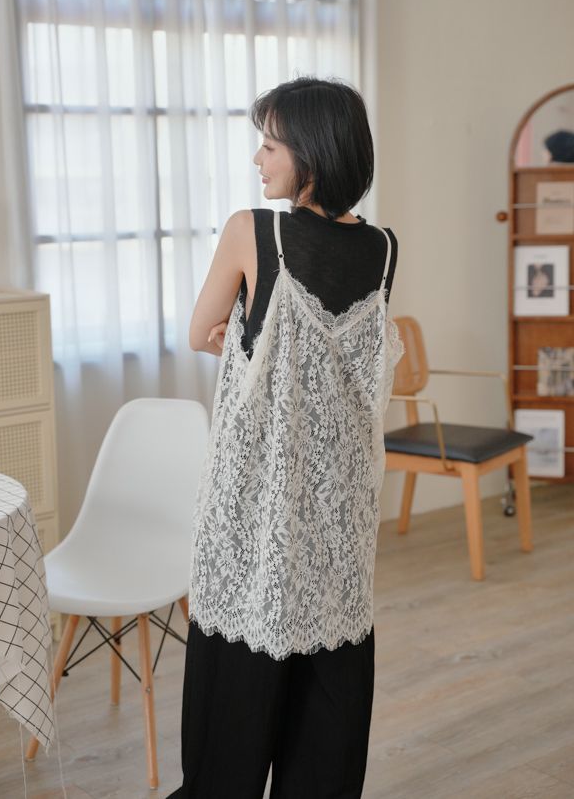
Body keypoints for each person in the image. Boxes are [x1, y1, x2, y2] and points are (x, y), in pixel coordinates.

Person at [167, 75, 404, 799]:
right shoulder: (384, 250)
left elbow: (201, 332)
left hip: (258, 499)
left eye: (270, 145)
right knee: (327, 689)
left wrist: (238, 334)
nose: (258, 160)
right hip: (338, 507)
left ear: (313, 153)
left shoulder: (254, 231)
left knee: (237, 691)